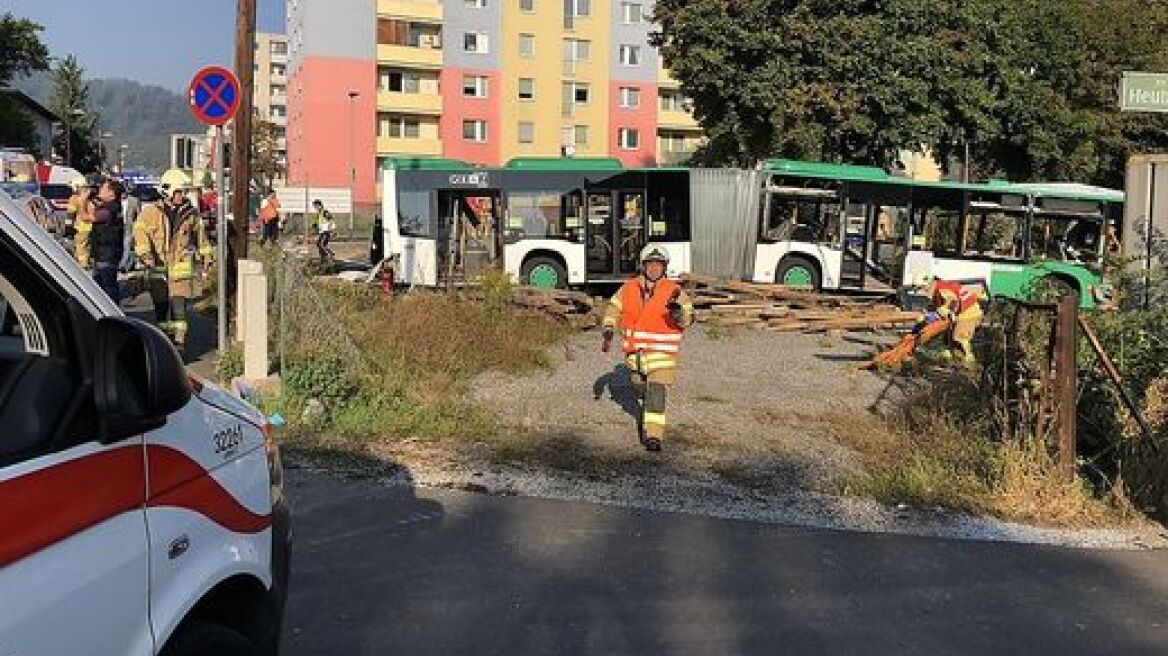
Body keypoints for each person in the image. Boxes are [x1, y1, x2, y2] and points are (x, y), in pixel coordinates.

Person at [601, 245, 695, 452]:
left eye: (658, 265)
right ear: (643, 266)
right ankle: (646, 403)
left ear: (664, 267)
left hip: (662, 356)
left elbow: (689, 317)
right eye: (650, 264)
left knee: (656, 391)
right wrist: (608, 326)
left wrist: (678, 315)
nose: (654, 268)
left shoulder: (674, 291)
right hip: (636, 356)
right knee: (639, 388)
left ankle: (653, 436)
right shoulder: (628, 287)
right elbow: (614, 308)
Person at [134, 182, 214, 352]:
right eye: (178, 191)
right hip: (158, 267)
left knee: (179, 308)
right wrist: (146, 254)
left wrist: (206, 255)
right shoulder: (151, 212)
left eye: (184, 192)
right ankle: (165, 340)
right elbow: (139, 233)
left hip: (180, 267)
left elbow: (201, 237)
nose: (182, 195)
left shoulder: (191, 214)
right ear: (167, 192)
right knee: (162, 307)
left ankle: (179, 343)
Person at [917, 277, 984, 365]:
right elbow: (938, 306)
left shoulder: (942, 288)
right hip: (964, 313)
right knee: (949, 340)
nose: (923, 291)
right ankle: (954, 361)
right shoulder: (941, 287)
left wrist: (938, 314)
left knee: (960, 338)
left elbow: (952, 302)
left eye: (922, 288)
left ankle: (970, 364)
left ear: (928, 285)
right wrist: (928, 313)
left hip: (969, 313)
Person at [89, 179, 126, 303]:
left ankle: (112, 313)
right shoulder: (110, 207)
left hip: (107, 254)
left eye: (104, 188)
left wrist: (83, 200)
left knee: (108, 287)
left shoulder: (111, 209)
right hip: (103, 253)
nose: (100, 189)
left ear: (112, 193)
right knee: (101, 287)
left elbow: (90, 217)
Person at [69, 182, 95, 268]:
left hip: (80, 227)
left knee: (80, 247)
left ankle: (82, 264)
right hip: (90, 226)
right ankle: (86, 262)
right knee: (87, 246)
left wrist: (68, 226)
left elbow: (71, 213)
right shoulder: (90, 198)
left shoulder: (75, 198)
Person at [119, 183, 142, 272]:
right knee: (121, 246)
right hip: (119, 227)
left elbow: (139, 215)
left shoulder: (134, 201)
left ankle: (123, 265)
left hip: (129, 227)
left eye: (124, 192)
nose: (123, 194)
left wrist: (136, 226)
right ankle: (123, 263)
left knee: (127, 245)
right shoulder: (116, 200)